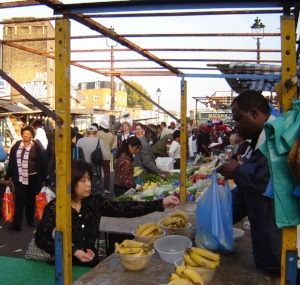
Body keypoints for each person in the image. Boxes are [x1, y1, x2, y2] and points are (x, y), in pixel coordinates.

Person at [35, 159, 179, 267]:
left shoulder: (94, 202)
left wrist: (160, 203)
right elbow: (41, 238)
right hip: (64, 268)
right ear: (71, 182)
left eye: (89, 179)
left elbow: (125, 208)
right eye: (83, 180)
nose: (89, 184)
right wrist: (74, 250)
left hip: (92, 266)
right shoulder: (56, 207)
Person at [217, 90, 282, 274]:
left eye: (238, 119)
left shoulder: (279, 138)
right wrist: (215, 220)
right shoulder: (258, 143)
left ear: (254, 113)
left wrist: (237, 170)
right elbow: (246, 194)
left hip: (282, 251)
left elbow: (272, 179)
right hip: (268, 250)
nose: (236, 126)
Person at [5, 125, 47, 231]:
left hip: (32, 177)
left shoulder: (37, 147)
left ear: (32, 136)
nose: (26, 136)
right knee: (19, 200)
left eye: (28, 134)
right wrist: (7, 176)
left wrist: (43, 179)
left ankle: (30, 220)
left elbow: (42, 163)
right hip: (19, 177)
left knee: (30, 200)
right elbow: (11, 162)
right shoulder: (16, 146)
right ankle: (17, 224)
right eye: (24, 134)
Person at [77, 126, 107, 195]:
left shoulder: (80, 141)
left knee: (84, 192)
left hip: (82, 170)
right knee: (97, 193)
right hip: (95, 170)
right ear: (96, 133)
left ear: (87, 133)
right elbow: (105, 156)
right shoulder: (100, 141)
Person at [97, 119, 114, 195]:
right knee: (107, 173)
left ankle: (98, 188)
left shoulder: (98, 133)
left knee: (98, 171)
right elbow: (111, 146)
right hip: (107, 155)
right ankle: (106, 189)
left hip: (99, 155)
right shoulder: (111, 135)